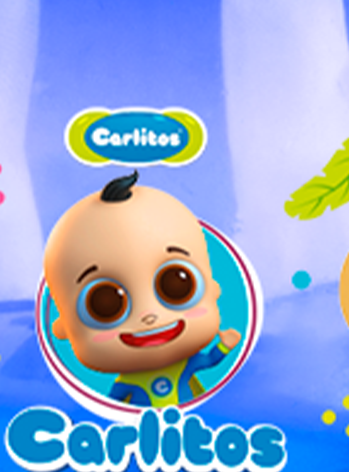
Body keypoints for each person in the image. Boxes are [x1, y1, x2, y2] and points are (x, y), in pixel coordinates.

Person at [42, 171, 242, 408]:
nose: (148, 315)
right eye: (105, 304)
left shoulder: (186, 366)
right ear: (63, 326)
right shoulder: (125, 384)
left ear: (212, 288)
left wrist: (224, 346)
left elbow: (209, 360)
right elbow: (110, 408)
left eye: (176, 285)